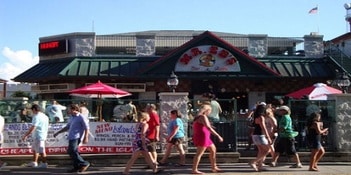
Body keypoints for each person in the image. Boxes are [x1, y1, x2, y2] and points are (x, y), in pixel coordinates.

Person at [53, 104, 90, 173]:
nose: (68, 110)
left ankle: (84, 163)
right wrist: (58, 132)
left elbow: (86, 127)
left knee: (72, 151)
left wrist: (86, 137)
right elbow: (67, 127)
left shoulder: (81, 117)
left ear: (73, 109)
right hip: (71, 136)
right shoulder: (71, 117)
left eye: (69, 109)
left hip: (77, 137)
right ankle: (77, 167)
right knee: (72, 152)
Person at [192, 102, 223, 174]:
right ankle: (194, 169)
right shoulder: (203, 117)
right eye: (210, 111)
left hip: (205, 136)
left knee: (213, 150)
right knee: (199, 153)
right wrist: (218, 135)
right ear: (207, 110)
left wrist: (210, 127)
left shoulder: (198, 117)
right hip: (203, 137)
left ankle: (214, 166)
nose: (210, 112)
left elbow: (205, 125)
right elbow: (208, 127)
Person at [22, 104, 49, 168]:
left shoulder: (36, 117)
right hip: (42, 134)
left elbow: (34, 127)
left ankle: (44, 163)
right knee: (35, 149)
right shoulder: (45, 116)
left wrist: (26, 135)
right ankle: (34, 162)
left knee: (41, 150)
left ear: (34, 109)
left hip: (38, 135)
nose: (32, 111)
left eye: (32, 110)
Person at [248, 104, 272, 172]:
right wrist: (268, 137)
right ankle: (253, 162)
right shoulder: (261, 117)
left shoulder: (256, 117)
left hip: (255, 135)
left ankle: (260, 166)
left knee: (261, 151)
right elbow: (263, 127)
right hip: (260, 135)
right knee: (268, 150)